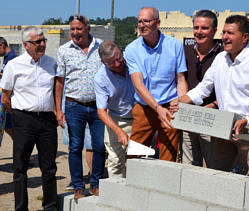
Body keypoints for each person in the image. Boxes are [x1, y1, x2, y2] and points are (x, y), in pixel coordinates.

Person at [176, 15, 249, 177]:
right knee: (217, 174)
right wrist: (181, 101)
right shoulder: (221, 59)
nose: (224, 37)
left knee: (247, 178)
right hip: (224, 125)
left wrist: (247, 120)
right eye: (223, 32)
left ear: (245, 37)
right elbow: (203, 88)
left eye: (230, 33)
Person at [1, 26, 58, 211]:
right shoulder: (14, 65)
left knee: (49, 167)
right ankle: (21, 208)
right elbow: (5, 96)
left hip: (48, 121)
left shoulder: (51, 63)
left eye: (43, 41)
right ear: (26, 45)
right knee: (20, 167)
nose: (42, 45)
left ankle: (49, 206)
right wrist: (17, 116)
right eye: (37, 42)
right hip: (23, 119)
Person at [124, 7, 188, 162]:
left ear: (158, 22)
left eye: (146, 21)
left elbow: (180, 79)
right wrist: (157, 108)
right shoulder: (132, 49)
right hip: (144, 108)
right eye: (139, 21)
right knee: (134, 156)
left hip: (169, 107)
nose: (142, 25)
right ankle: (136, 185)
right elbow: (139, 86)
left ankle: (165, 185)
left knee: (169, 157)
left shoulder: (175, 45)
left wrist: (181, 102)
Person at [55, 14, 105, 200]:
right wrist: (58, 110)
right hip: (74, 106)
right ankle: (77, 186)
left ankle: (96, 184)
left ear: (88, 29)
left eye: (79, 29)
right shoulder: (64, 50)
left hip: (99, 107)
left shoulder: (101, 46)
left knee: (99, 146)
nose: (75, 33)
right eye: (72, 29)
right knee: (75, 147)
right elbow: (59, 82)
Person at [182, 10, 222, 167]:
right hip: (188, 114)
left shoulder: (223, 56)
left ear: (214, 30)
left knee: (214, 166)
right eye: (196, 27)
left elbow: (229, 90)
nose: (199, 32)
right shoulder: (184, 52)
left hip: (212, 117)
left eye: (204, 28)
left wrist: (213, 105)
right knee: (188, 165)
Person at [95, 41, 135, 178]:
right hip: (117, 120)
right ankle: (116, 196)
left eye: (119, 58)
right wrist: (119, 131)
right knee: (116, 162)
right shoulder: (101, 78)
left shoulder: (133, 62)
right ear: (103, 62)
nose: (118, 64)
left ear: (121, 51)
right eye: (112, 63)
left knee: (142, 161)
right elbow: (101, 111)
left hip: (140, 119)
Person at [0, 37, 17, 139]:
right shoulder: (6, 58)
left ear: (2, 45)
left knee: (8, 126)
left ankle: (23, 151)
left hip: (9, 98)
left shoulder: (12, 57)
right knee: (7, 126)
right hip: (5, 96)